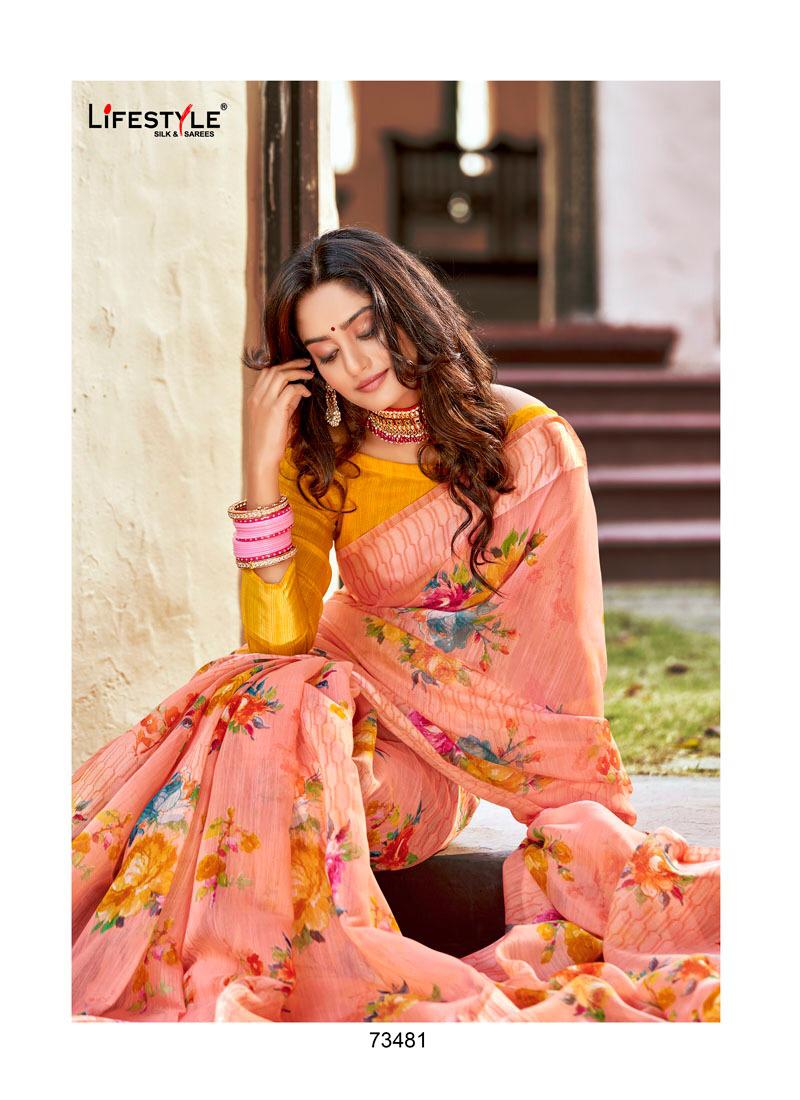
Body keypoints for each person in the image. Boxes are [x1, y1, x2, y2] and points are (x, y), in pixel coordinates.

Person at [72, 226, 720, 1023]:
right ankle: (221, 958)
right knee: (260, 697)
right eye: (326, 352)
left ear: (409, 309)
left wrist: (566, 798)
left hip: (429, 771)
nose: (356, 362)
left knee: (282, 722)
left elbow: (564, 647)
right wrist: (260, 470)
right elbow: (277, 641)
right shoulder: (323, 461)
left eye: (367, 329)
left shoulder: (530, 447)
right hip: (340, 718)